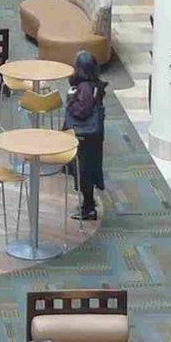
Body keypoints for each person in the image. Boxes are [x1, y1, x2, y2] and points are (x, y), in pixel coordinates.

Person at [66, 50, 107, 221]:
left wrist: (70, 100)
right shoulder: (95, 85)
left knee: (83, 171)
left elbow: (82, 111)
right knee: (89, 169)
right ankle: (88, 204)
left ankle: (89, 208)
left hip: (84, 136)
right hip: (93, 137)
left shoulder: (84, 88)